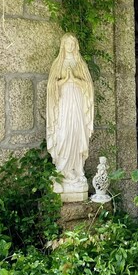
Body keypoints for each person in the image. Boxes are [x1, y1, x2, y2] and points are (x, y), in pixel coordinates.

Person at [46, 34, 94, 197]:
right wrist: (65, 80)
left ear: (76, 45)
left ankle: (77, 169)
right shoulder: (57, 63)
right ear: (63, 45)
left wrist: (76, 80)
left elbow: (88, 87)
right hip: (64, 103)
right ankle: (62, 170)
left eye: (73, 43)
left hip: (78, 103)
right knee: (64, 133)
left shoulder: (80, 64)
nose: (70, 46)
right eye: (67, 43)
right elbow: (51, 87)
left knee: (77, 133)